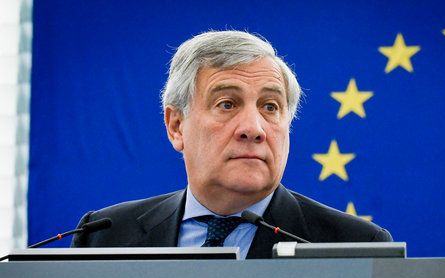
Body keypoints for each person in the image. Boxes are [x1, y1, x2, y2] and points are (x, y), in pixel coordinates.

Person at [71, 30, 392, 258]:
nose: (254, 129)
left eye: (270, 107)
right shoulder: (103, 237)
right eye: (227, 104)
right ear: (176, 126)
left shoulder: (353, 247)